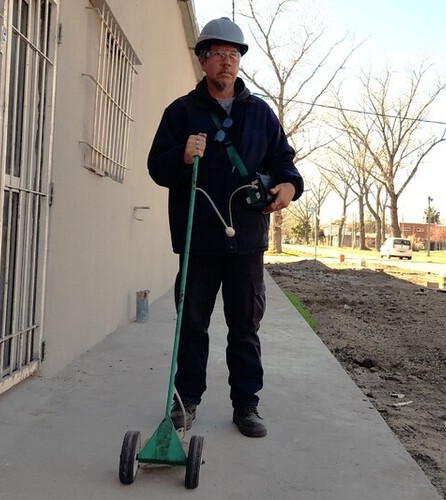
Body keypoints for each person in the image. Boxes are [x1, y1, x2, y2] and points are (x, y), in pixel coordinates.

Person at [147, 17, 304, 438]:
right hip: (198, 241)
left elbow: (286, 165)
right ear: (202, 60)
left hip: (246, 244)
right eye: (218, 54)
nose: (226, 63)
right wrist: (182, 155)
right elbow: (156, 167)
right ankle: (186, 401)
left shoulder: (260, 114)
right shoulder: (181, 113)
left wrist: (288, 186)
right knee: (192, 325)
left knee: (245, 326)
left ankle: (246, 404)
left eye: (233, 55)